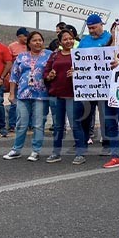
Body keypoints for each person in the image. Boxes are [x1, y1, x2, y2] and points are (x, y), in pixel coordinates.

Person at [3, 31, 52, 161]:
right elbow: (14, 76)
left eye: (40, 40)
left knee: (38, 123)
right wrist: (12, 93)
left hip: (41, 94)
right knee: (21, 123)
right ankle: (16, 149)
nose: (38, 43)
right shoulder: (21, 57)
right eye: (35, 40)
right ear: (29, 43)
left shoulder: (49, 55)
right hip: (23, 94)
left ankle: (36, 150)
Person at [42, 30, 88, 164]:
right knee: (58, 126)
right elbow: (46, 72)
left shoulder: (78, 55)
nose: (69, 41)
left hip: (73, 95)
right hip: (57, 94)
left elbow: (87, 72)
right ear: (60, 42)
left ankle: (80, 153)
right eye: (65, 39)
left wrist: (77, 73)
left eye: (71, 39)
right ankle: (56, 153)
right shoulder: (54, 55)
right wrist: (48, 76)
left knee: (75, 124)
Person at [78, 14, 114, 155]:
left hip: (105, 85)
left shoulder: (110, 38)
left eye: (94, 27)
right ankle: (84, 141)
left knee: (106, 115)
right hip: (87, 85)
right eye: (89, 28)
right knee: (86, 114)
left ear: (101, 25)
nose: (92, 31)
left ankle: (107, 143)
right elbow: (78, 59)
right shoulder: (85, 40)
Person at [7, 27, 29, 132]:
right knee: (14, 102)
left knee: (29, 102)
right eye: (24, 36)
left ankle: (29, 124)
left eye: (27, 35)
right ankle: (12, 124)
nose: (26, 37)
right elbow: (8, 61)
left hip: (29, 79)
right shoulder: (12, 46)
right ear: (19, 36)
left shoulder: (30, 45)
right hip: (16, 78)